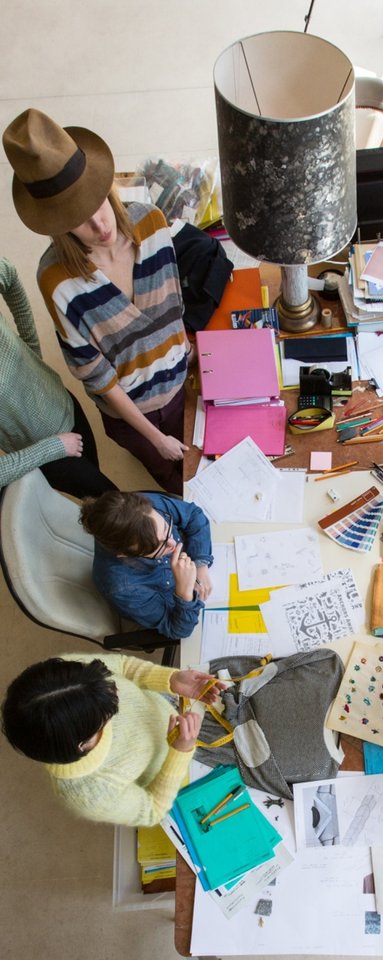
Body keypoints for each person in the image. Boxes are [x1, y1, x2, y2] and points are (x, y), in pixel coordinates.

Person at [2, 108, 190, 495]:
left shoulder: (153, 222)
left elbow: (175, 307)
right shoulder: (56, 281)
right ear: (56, 222)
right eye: (80, 218)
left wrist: (190, 352)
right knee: (179, 485)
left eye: (100, 202)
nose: (101, 226)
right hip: (137, 413)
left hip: (184, 380)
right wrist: (154, 437)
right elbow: (99, 379)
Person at [1, 653, 221, 827]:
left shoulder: (74, 678)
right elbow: (153, 810)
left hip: (173, 716)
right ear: (83, 744)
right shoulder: (90, 794)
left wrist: (170, 679)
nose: (115, 690)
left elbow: (124, 666)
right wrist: (180, 752)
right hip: (181, 770)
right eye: (107, 714)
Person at [0, 256, 116, 496]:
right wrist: (53, 448)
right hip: (45, 451)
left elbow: (8, 274)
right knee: (113, 504)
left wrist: (31, 348)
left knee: (101, 490)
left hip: (63, 403)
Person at [79, 491, 213, 641]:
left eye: (166, 529)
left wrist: (200, 565)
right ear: (125, 555)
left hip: (192, 570)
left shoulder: (142, 509)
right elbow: (179, 630)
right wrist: (184, 593)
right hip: (171, 596)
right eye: (159, 547)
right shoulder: (123, 588)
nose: (173, 543)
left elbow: (194, 514)